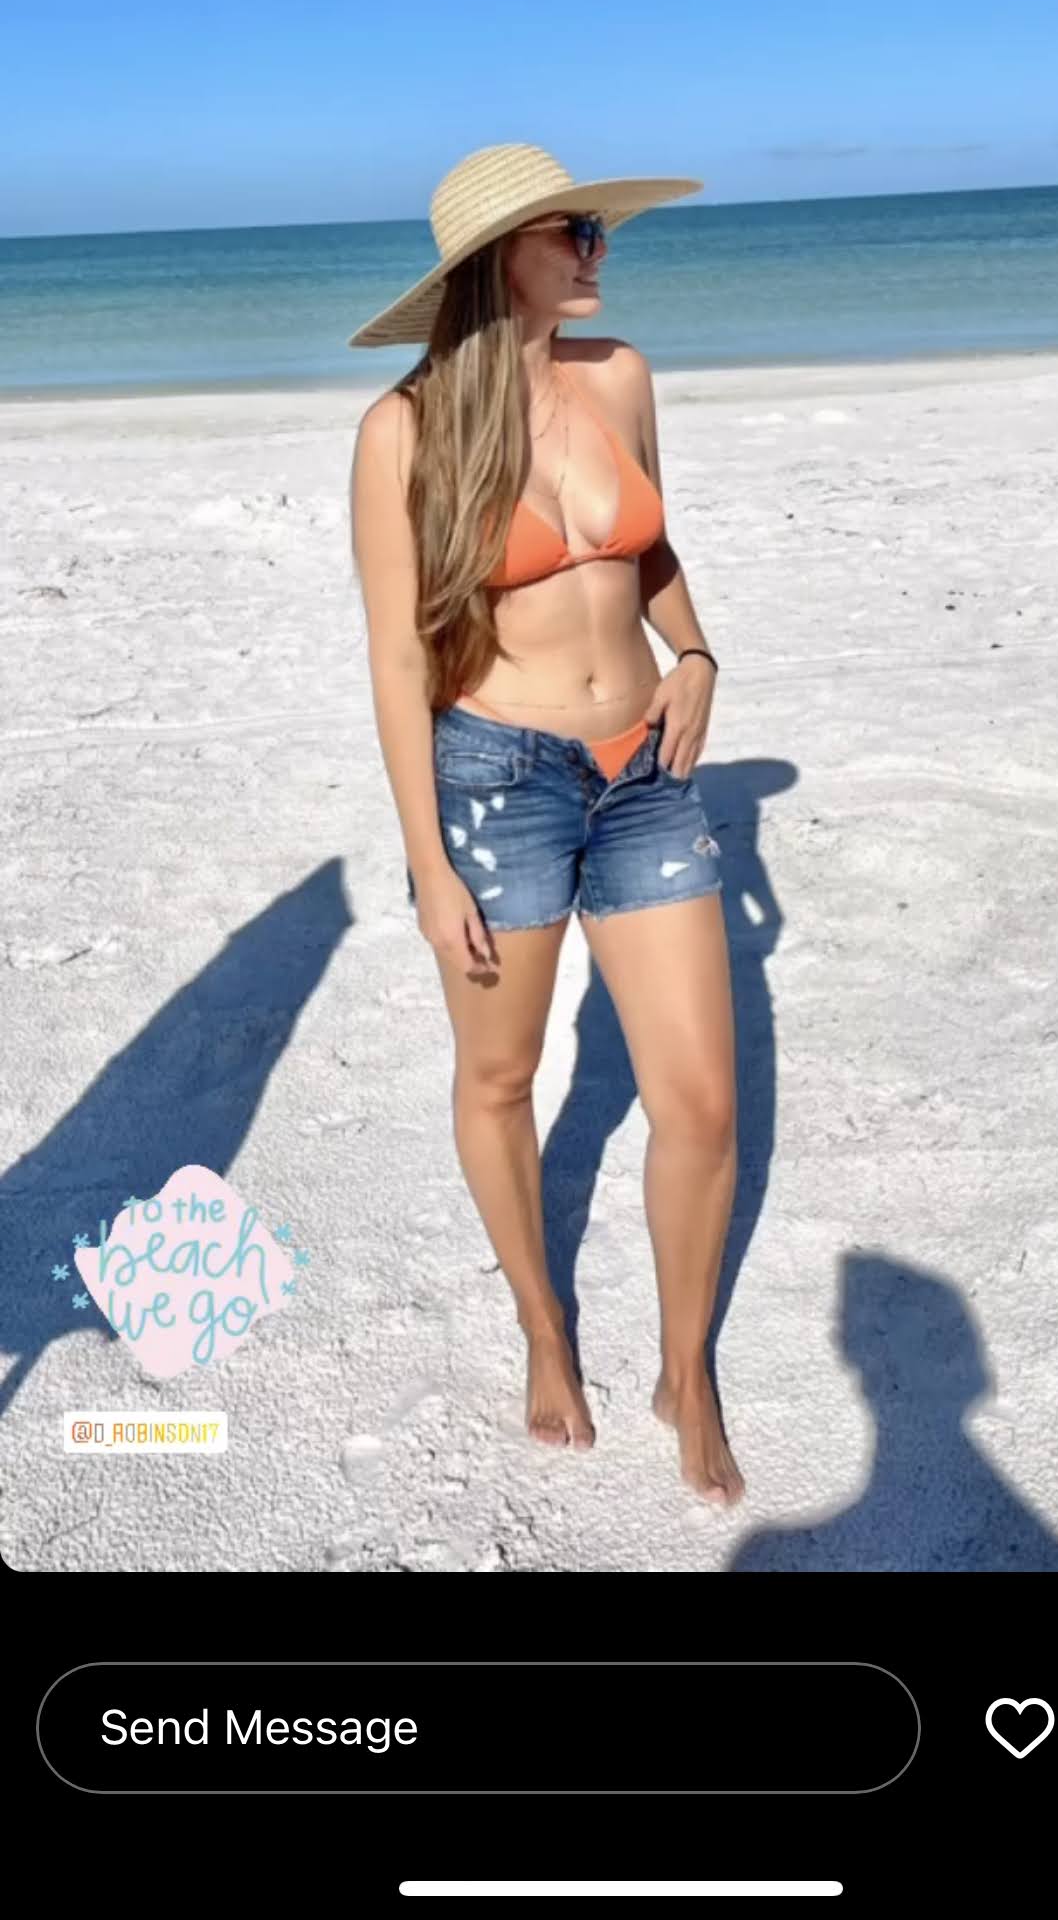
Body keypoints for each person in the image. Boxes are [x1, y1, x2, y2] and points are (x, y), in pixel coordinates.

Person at [349, 144, 745, 1506]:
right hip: (495, 784)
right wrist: (426, 865)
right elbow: (398, 659)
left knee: (700, 1103)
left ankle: (684, 1369)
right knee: (502, 1079)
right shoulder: (402, 432)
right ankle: (542, 1327)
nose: (596, 249)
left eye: (594, 229)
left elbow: (649, 552)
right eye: (570, 230)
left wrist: (698, 654)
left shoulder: (619, 374)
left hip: (644, 774)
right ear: (493, 260)